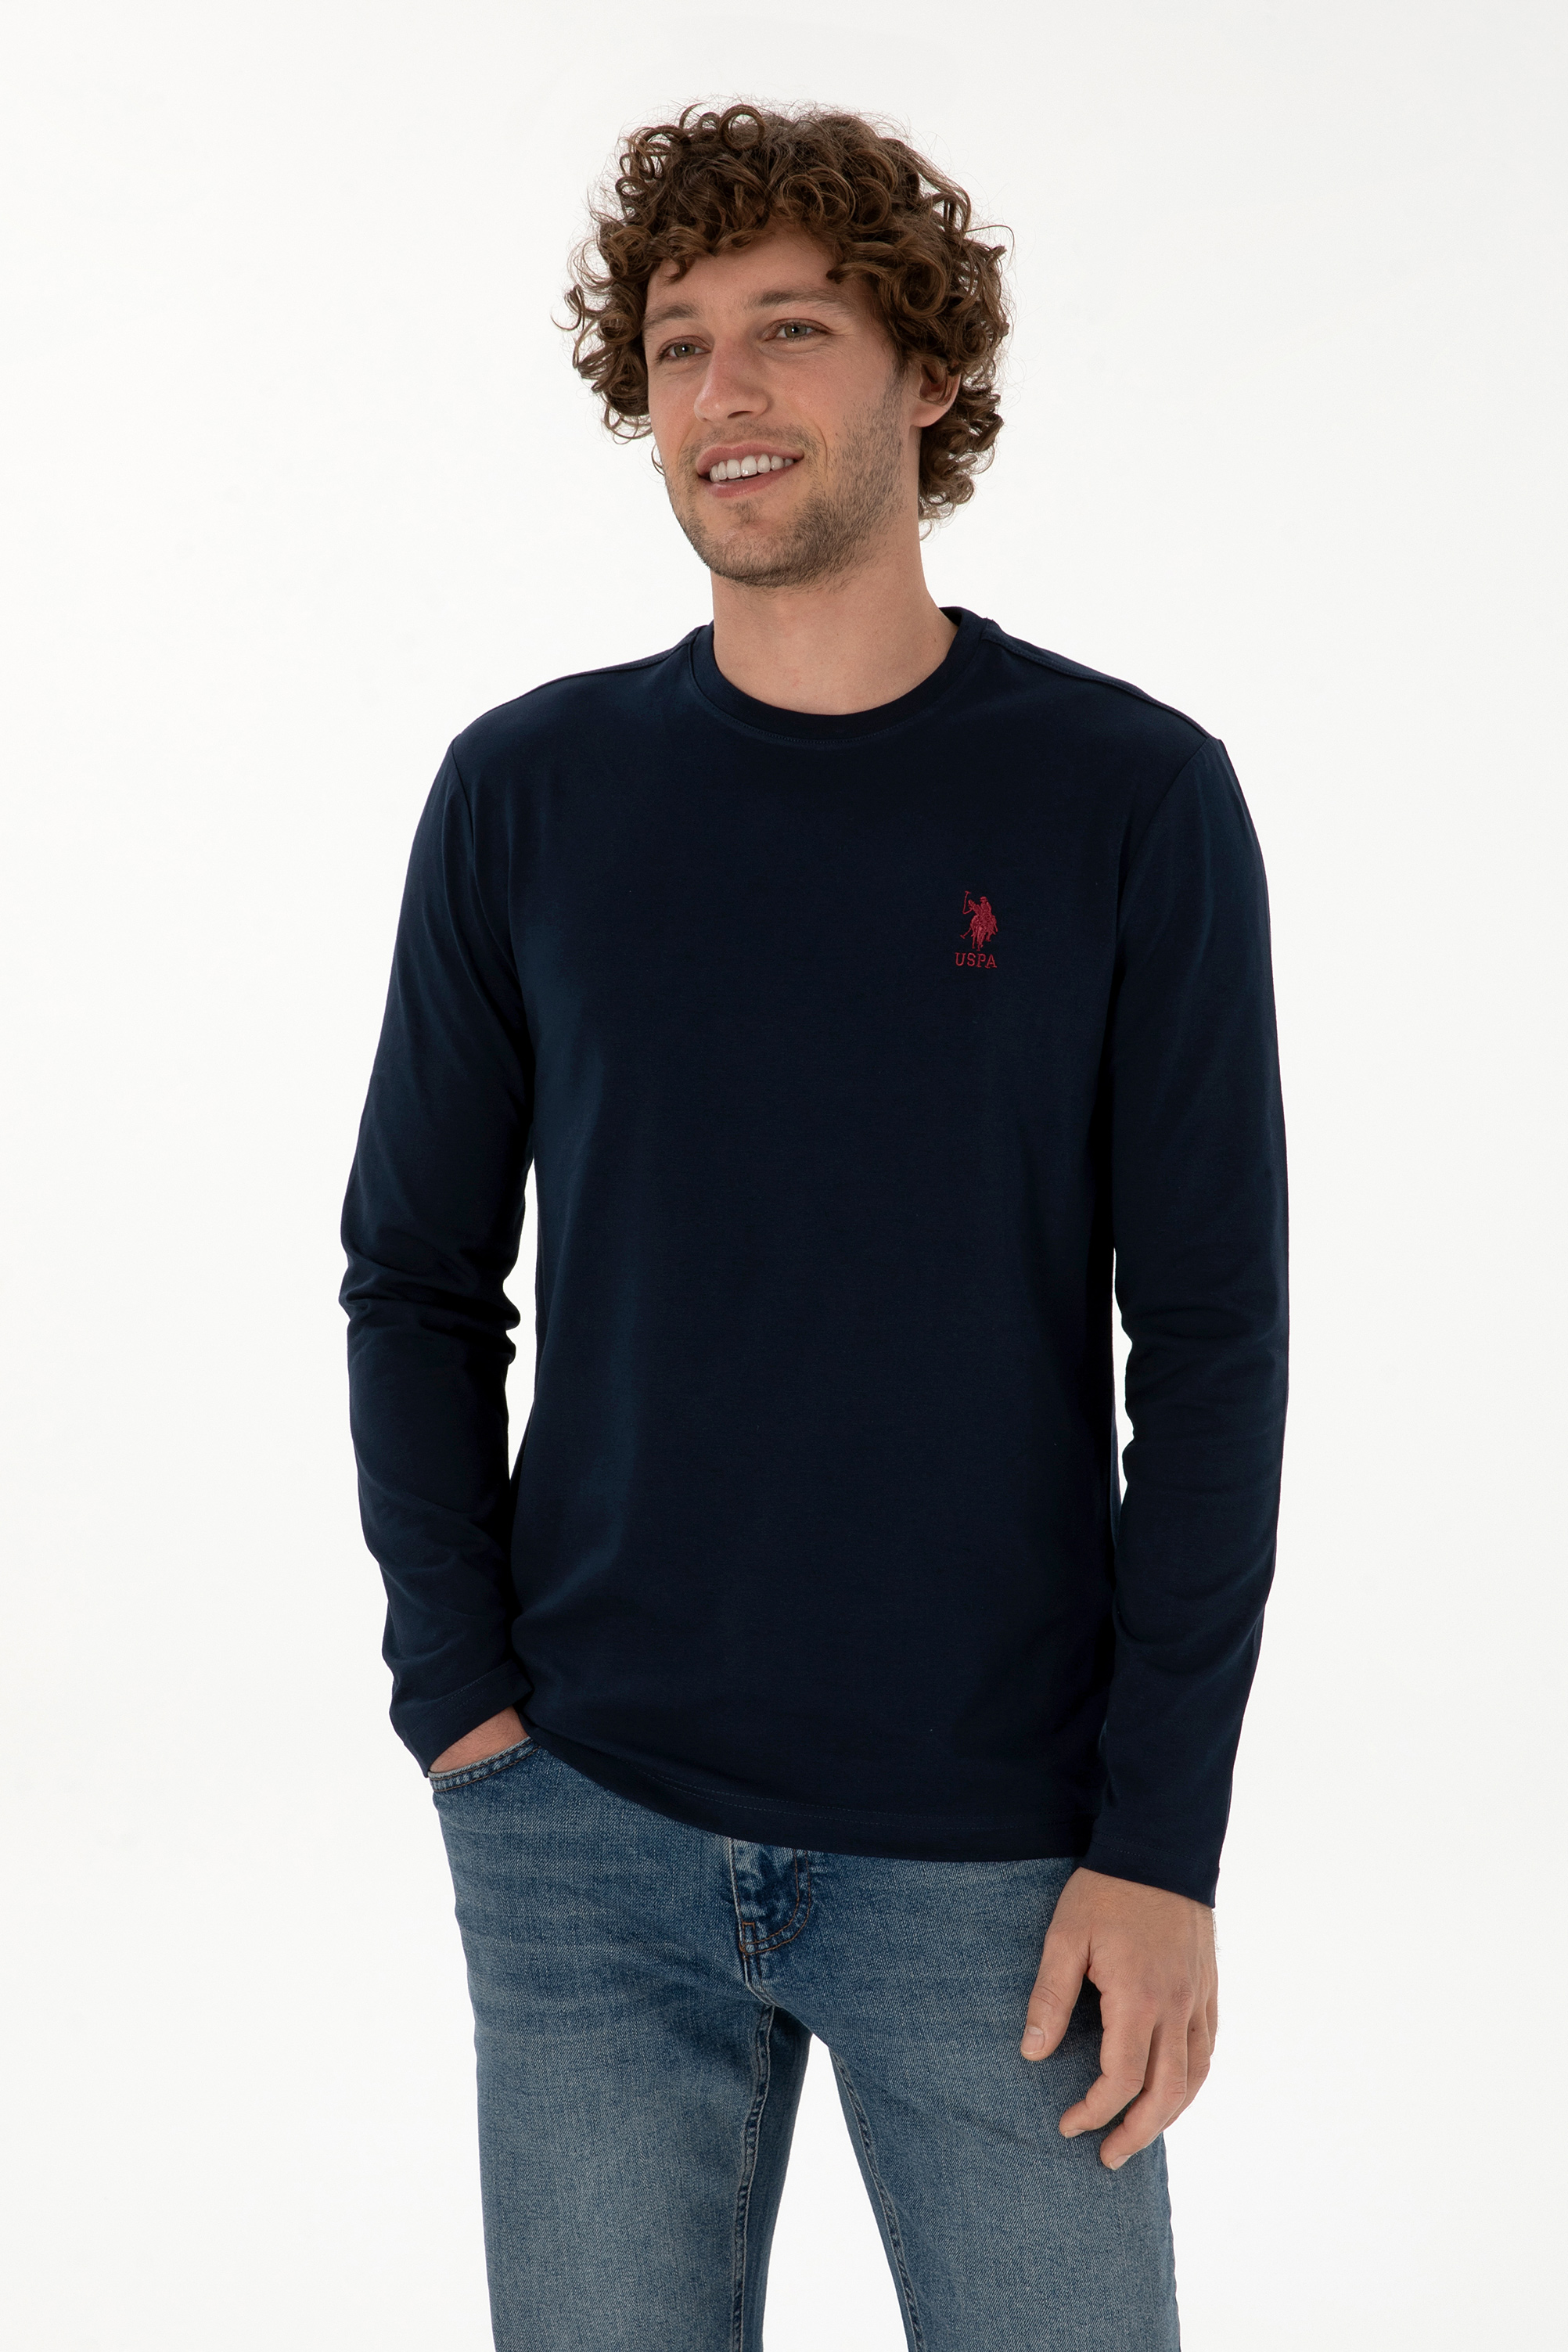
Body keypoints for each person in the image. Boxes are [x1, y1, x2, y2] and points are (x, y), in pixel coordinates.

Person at [340, 101, 1288, 2352]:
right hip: (582, 1827)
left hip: (1004, 1858)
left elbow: (1214, 1345)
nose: (724, 393)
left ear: (927, 374)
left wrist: (1160, 1841)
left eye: (790, 330)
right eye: (678, 344)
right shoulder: (527, 793)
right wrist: (461, 1702)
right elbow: (416, 1276)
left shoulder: (1125, 796)